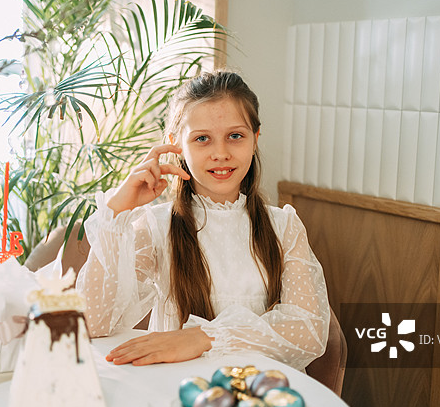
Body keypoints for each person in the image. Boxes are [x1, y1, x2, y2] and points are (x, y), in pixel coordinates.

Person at [76, 70, 330, 371]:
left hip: (260, 395)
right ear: (176, 145)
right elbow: (93, 323)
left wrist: (205, 337)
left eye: (235, 136)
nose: (220, 153)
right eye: (202, 139)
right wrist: (116, 211)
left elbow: (308, 333)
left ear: (255, 138)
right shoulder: (157, 226)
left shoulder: (284, 227)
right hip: (175, 391)